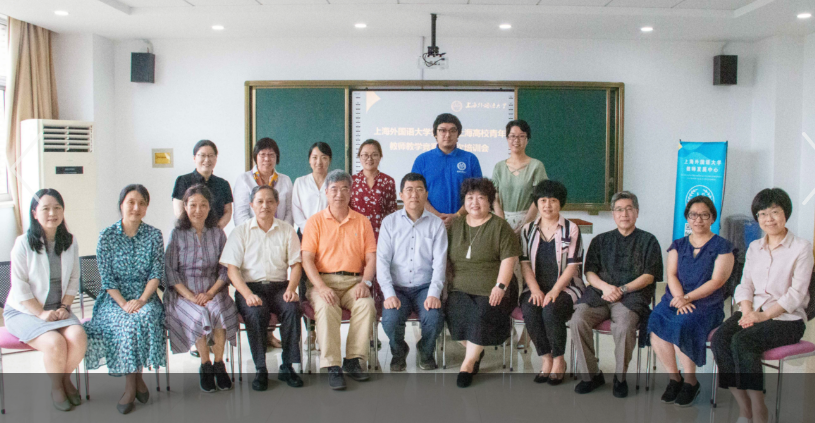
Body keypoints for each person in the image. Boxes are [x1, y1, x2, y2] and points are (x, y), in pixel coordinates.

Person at [711, 188, 814, 423]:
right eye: (763, 214)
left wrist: (762, 316)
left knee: (743, 341)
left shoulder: (801, 247)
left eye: (775, 212)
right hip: (753, 312)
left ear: (786, 213)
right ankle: (744, 407)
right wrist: (747, 311)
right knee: (720, 339)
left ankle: (759, 410)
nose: (769, 219)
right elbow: (745, 284)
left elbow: (796, 294)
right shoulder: (755, 247)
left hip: (787, 320)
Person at [83, 185, 167, 415]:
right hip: (113, 299)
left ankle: (131, 386)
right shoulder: (106, 236)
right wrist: (123, 304)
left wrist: (141, 300)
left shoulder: (154, 235)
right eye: (131, 202)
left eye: (142, 203)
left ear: (147, 208)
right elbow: (107, 279)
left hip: (146, 297)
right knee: (127, 323)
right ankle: (135, 383)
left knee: (144, 317)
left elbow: (156, 274)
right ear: (121, 204)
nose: (136, 207)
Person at [570, 191, 662, 398]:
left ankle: (620, 378)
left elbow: (649, 276)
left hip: (632, 296)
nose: (624, 214)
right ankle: (591, 376)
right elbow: (589, 272)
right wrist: (606, 288)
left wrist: (622, 289)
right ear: (613, 214)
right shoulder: (600, 240)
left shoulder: (649, 241)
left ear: (637, 212)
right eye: (619, 210)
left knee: (624, 326)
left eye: (629, 209)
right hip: (599, 294)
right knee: (578, 320)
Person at [4, 189, 86, 412]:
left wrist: (65, 306)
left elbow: (74, 278)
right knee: (55, 343)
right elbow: (19, 285)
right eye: (46, 208)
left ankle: (64, 379)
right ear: (34, 213)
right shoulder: (23, 243)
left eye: (57, 207)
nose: (52, 213)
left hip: (58, 308)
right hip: (23, 311)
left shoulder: (70, 241)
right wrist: (40, 313)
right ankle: (57, 387)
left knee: (78, 337)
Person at [648, 196, 734, 407]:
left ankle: (690, 381)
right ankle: (674, 378)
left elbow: (717, 281)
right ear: (687, 217)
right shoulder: (678, 245)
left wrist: (687, 298)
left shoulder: (723, 247)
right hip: (675, 299)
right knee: (656, 323)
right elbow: (672, 275)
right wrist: (680, 298)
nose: (698, 219)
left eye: (704, 215)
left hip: (706, 305)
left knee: (682, 324)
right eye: (693, 215)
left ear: (712, 218)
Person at [220, 185, 304, 391]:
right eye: (260, 201)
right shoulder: (240, 232)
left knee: (292, 308)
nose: (265, 205)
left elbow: (296, 264)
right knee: (256, 312)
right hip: (250, 287)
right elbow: (232, 270)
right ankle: (261, 369)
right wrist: (247, 294)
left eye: (270, 201)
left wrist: (292, 289)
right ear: (251, 205)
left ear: (277, 204)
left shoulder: (287, 230)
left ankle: (287, 366)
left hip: (279, 287)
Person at [301, 169, 377, 390]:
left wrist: (365, 283)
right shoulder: (315, 222)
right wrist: (321, 287)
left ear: (351, 192)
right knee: (327, 307)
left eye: (344, 189)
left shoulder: (362, 221)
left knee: (366, 305)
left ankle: (353, 360)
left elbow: (371, 258)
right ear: (326, 192)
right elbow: (307, 259)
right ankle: (332, 365)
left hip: (354, 283)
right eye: (334, 189)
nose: (339, 194)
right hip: (323, 282)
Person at [445, 178, 520, 388]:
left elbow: (509, 259)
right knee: (453, 312)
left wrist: (501, 286)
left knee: (482, 313)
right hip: (459, 288)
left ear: (490, 201)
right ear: (464, 201)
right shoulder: (455, 225)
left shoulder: (500, 226)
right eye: (470, 198)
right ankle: (476, 350)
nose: (475, 202)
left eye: (481, 197)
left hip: (493, 288)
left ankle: (468, 363)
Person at [164, 184, 239, 393]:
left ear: (210, 207)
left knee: (218, 311)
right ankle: (205, 365)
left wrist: (211, 293)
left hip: (213, 289)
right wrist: (190, 296)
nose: (198, 210)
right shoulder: (177, 234)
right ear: (185, 207)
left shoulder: (218, 234)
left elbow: (225, 268)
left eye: (203, 205)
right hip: (183, 293)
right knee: (200, 314)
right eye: (193, 205)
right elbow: (170, 270)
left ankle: (219, 364)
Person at [377, 173, 447, 372]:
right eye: (409, 190)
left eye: (419, 190)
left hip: (425, 286)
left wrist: (434, 293)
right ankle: (399, 352)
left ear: (426, 194)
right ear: (401, 195)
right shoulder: (389, 223)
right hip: (397, 288)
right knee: (390, 320)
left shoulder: (436, 224)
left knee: (434, 318)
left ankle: (425, 351)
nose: (414, 194)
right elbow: (382, 261)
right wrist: (389, 294)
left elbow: (440, 264)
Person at [518, 180, 584, 385]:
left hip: (566, 287)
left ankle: (558, 360)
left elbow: (572, 266)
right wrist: (535, 289)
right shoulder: (527, 229)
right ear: (537, 203)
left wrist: (555, 290)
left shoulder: (571, 229)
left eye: (553, 200)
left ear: (560, 203)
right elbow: (524, 263)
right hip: (535, 286)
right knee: (530, 308)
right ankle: (546, 359)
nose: (547, 205)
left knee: (551, 309)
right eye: (543, 200)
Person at [411, 113, 482, 228]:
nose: (448, 135)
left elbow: (477, 193)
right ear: (435, 134)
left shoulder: (470, 159)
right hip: (429, 223)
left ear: (458, 134)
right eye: (442, 130)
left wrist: (457, 215)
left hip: (463, 223)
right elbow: (416, 193)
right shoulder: (422, 160)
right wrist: (436, 215)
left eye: (452, 130)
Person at [492, 120, 548, 232]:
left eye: (521, 136)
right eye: (512, 136)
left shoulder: (536, 166)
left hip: (529, 222)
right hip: (502, 223)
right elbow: (494, 197)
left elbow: (539, 198)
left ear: (527, 139)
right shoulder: (499, 167)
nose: (516, 140)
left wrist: (525, 225)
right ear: (507, 139)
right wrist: (502, 223)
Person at [172, 140, 233, 229]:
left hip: (215, 233)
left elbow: (228, 212)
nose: (207, 159)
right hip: (188, 232)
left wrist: (215, 230)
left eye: (211, 155)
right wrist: (194, 230)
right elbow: (179, 211)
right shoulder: (183, 180)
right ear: (194, 158)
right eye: (202, 155)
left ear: (216, 158)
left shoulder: (223, 184)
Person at [234, 137, 293, 226]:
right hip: (251, 232)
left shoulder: (285, 180)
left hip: (280, 232)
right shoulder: (244, 180)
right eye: (262, 155)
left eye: (271, 155)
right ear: (256, 156)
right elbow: (240, 214)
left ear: (276, 157)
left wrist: (282, 231)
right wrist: (254, 232)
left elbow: (290, 212)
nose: (267, 159)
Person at [350, 139, 397, 239]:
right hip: (356, 236)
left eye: (374, 155)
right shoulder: (351, 181)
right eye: (365, 155)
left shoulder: (388, 181)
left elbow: (392, 213)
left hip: (381, 237)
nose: (369, 158)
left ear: (380, 157)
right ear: (360, 157)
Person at [292, 142, 331, 233]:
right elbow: (296, 210)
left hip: (329, 233)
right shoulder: (300, 182)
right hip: (305, 233)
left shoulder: (335, 183)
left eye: (324, 157)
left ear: (329, 160)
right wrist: (310, 228)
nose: (319, 162)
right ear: (309, 160)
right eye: (314, 157)